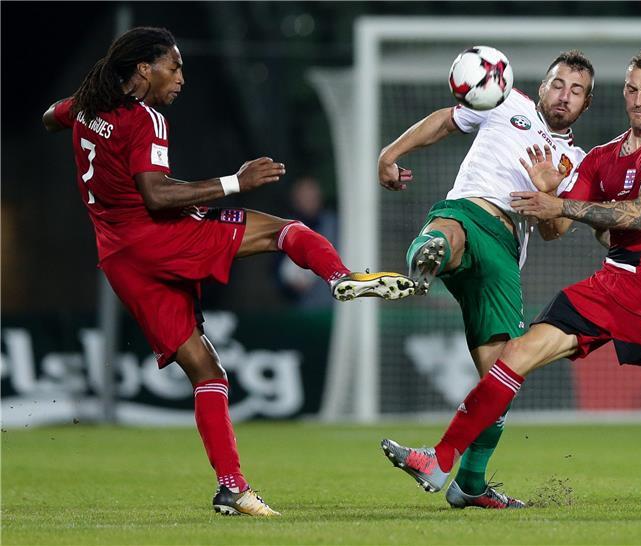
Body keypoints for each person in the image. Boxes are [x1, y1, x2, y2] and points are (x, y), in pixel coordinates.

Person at [381, 50, 641, 510]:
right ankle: (442, 460)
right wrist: (551, 191)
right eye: (631, 89)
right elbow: (571, 227)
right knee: (516, 354)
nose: (639, 100)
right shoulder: (599, 158)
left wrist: (561, 204)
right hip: (610, 281)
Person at [42, 27, 414, 517]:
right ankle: (339, 277)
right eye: (172, 67)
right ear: (142, 70)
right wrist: (234, 182)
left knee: (206, 370)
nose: (180, 77)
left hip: (119, 259)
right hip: (158, 238)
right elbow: (154, 194)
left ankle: (233, 489)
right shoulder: (145, 119)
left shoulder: (91, 106)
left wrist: (85, 111)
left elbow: (51, 116)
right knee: (283, 230)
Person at [378, 51, 594, 509]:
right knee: (448, 233)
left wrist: (549, 191)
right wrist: (390, 153)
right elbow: (443, 122)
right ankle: (424, 263)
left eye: (576, 91)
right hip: (471, 209)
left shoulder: (577, 161)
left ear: (585, 104)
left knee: (501, 374)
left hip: (507, 251)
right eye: (558, 84)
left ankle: (470, 484)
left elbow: (556, 231)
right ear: (540, 87)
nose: (564, 96)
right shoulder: (503, 102)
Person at [275, 175, 340, 308]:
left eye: (313, 196)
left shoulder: (335, 226)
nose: (309, 200)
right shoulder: (285, 230)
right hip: (303, 307)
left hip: (336, 306)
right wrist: (290, 286)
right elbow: (276, 271)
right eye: (304, 197)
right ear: (295, 200)